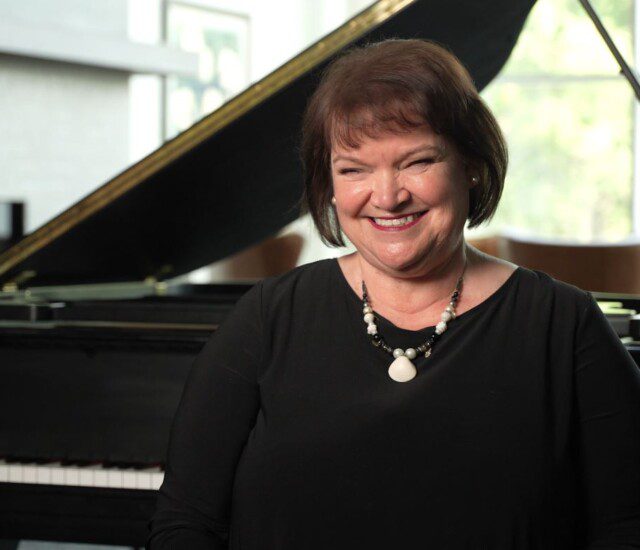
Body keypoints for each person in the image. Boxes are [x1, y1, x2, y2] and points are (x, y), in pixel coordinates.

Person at [148, 39, 640, 549]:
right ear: (330, 186)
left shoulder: (564, 324)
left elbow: (628, 526)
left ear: (471, 164)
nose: (386, 196)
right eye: (353, 169)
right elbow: (185, 523)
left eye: (416, 161)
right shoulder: (267, 317)